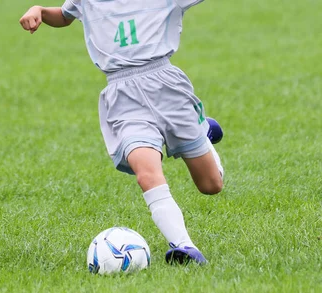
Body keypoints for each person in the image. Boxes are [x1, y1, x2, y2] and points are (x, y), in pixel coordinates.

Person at [19, 0, 224, 265]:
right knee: (146, 171)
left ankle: (203, 131)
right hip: (123, 96)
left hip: (167, 87)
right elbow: (64, 16)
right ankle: (184, 246)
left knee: (211, 185)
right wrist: (40, 11)